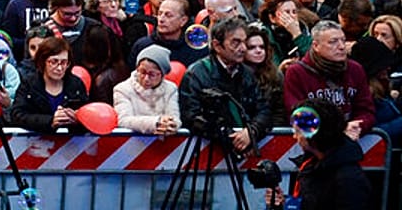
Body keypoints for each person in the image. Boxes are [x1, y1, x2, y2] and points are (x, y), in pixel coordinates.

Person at [178, 17, 274, 153]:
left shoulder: (247, 73)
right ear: (217, 46)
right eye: (235, 43)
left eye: (244, 42)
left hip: (247, 148)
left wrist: (251, 131)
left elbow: (264, 110)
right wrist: (229, 136)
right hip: (209, 152)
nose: (243, 48)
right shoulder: (196, 74)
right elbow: (191, 116)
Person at [282, 20, 376, 139]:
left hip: (352, 139)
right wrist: (334, 132)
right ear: (316, 45)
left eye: (343, 40)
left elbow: (366, 110)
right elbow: (295, 112)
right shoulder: (297, 72)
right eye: (333, 42)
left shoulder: (355, 69)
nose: (342, 47)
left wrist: (358, 125)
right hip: (315, 143)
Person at [285, 97, 370, 207]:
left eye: (298, 131)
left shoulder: (349, 180)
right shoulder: (310, 164)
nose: (294, 136)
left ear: (314, 134)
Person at [9, 36, 90, 133]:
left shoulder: (76, 84)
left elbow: (88, 114)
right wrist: (49, 121)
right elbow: (17, 115)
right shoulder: (29, 84)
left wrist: (78, 118)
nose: (59, 68)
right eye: (54, 62)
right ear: (43, 61)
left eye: (64, 62)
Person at [112, 45, 180, 135]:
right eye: (142, 72)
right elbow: (123, 120)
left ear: (162, 74)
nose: (146, 79)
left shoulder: (171, 89)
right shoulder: (122, 89)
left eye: (152, 74)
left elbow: (174, 116)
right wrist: (155, 122)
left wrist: (171, 124)